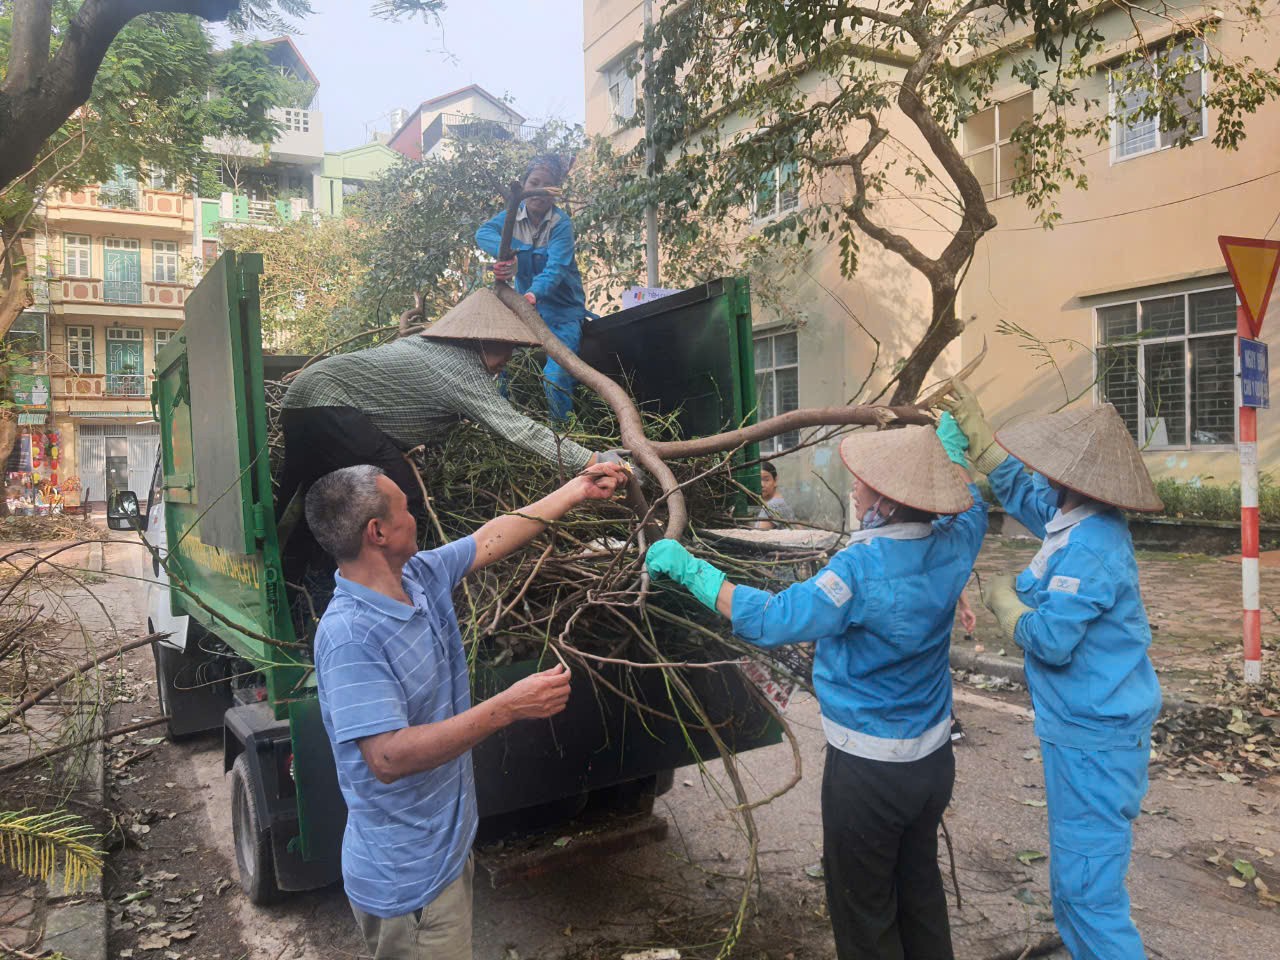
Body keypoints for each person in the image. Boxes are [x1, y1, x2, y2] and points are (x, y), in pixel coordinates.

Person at [646, 420, 986, 960]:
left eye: (867, 483)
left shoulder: (859, 569)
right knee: (918, 884)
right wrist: (948, 451)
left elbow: (777, 618)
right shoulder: (958, 541)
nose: (855, 488)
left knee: (864, 908)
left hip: (870, 773)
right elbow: (970, 501)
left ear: (892, 502)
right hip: (931, 763)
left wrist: (692, 572)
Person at [306, 459, 628, 960]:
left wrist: (576, 490)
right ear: (378, 532)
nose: (416, 517)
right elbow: (386, 758)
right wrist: (508, 706)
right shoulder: (351, 636)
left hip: (447, 848)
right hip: (410, 881)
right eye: (406, 509)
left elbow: (491, 537)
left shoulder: (418, 576)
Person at [941, 382, 1163, 960]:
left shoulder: (1091, 546)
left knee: (1089, 890)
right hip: (1079, 729)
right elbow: (1022, 494)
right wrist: (981, 441)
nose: (1034, 473)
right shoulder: (1072, 516)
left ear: (1068, 478)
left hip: (1097, 736)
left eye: (1044, 467)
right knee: (1074, 874)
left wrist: (1006, 603)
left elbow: (1052, 640)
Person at [278, 287, 617, 520]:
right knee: (402, 495)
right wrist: (590, 459)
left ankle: (304, 582)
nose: (509, 359)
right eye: (506, 347)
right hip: (326, 403)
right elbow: (519, 430)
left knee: (314, 498)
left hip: (306, 399)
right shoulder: (460, 368)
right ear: (482, 340)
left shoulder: (436, 351)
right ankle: (391, 580)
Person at [476, 155, 587, 422]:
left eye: (547, 185)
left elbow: (556, 269)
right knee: (504, 370)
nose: (539, 190)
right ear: (524, 185)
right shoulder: (512, 217)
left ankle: (562, 437)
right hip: (527, 313)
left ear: (554, 192)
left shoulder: (561, 225)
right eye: (534, 182)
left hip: (562, 315)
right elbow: (483, 234)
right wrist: (511, 256)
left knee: (555, 377)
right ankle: (501, 431)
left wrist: (530, 295)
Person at [755, 461, 798, 530]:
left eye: (766, 480)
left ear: (775, 481)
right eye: (757, 480)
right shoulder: (779, 501)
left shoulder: (773, 506)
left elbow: (759, 536)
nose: (762, 485)